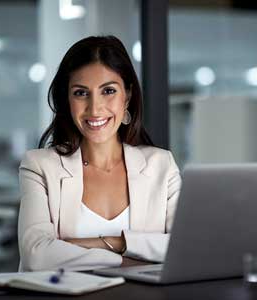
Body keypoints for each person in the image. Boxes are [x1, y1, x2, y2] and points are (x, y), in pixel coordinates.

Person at [18, 35, 181, 272]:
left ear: (128, 97)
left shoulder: (162, 166)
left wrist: (117, 242)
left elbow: (184, 248)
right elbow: (38, 257)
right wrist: (133, 258)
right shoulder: (39, 166)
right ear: (67, 100)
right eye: (81, 93)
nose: (94, 109)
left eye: (108, 91)